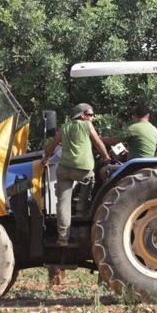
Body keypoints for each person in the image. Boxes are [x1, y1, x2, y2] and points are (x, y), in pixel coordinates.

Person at [42, 103, 110, 246]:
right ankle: (80, 211)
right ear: (82, 115)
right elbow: (98, 143)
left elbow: (51, 146)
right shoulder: (87, 126)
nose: (93, 118)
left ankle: (62, 239)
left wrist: (46, 158)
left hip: (65, 169)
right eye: (90, 115)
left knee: (63, 204)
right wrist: (106, 157)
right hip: (83, 171)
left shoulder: (64, 127)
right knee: (91, 182)